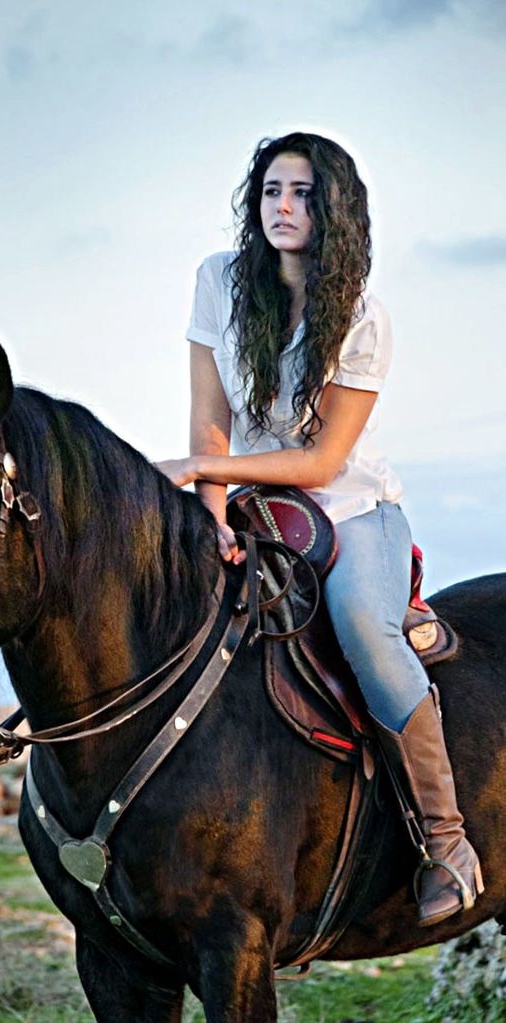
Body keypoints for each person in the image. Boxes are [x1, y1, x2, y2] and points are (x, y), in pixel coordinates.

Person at [158, 131, 483, 927]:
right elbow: (211, 420)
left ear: (333, 208)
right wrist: (210, 515)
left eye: (302, 193)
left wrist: (206, 473)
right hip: (245, 502)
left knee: (366, 636)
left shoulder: (363, 318)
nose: (283, 208)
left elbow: (321, 459)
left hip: (348, 506)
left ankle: (449, 842)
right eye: (271, 191)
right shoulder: (218, 281)